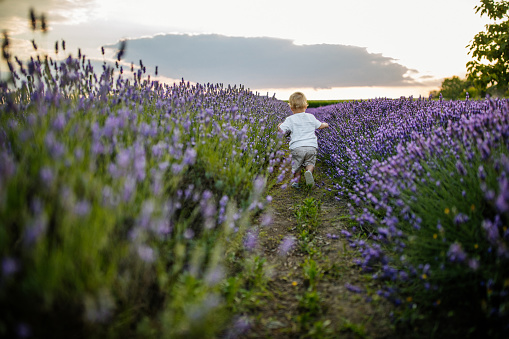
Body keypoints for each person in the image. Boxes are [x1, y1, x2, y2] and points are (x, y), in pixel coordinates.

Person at [278, 92, 329, 188]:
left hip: (297, 148)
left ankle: (296, 182)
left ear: (291, 108)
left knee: (297, 166)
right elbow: (320, 126)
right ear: (306, 106)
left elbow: (282, 131)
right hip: (311, 147)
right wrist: (325, 124)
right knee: (310, 162)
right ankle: (309, 172)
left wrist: (279, 126)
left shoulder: (290, 119)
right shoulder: (311, 117)